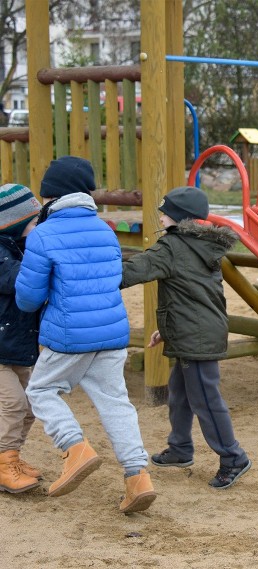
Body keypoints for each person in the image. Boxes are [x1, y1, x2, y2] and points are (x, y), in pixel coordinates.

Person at [15, 156, 155, 513]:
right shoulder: (105, 230)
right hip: (111, 333)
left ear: (51, 196)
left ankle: (74, 448)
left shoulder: (45, 234)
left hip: (69, 334)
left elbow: (28, 299)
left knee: (42, 389)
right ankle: (138, 477)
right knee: (116, 403)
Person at [121, 186, 252, 490]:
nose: (161, 216)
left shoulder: (172, 248)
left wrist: (89, 276)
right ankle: (180, 448)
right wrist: (167, 329)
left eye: (165, 212)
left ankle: (234, 457)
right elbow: (190, 294)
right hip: (196, 329)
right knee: (179, 393)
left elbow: (131, 271)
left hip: (197, 337)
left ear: (179, 219)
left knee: (205, 399)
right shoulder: (199, 244)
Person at [0, 184, 43, 493]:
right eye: (32, 221)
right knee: (13, 403)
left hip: (20, 344)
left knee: (30, 404)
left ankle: (10, 455)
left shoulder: (19, 248)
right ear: (14, 223)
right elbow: (22, 281)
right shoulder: (4, 255)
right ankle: (4, 464)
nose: (37, 227)